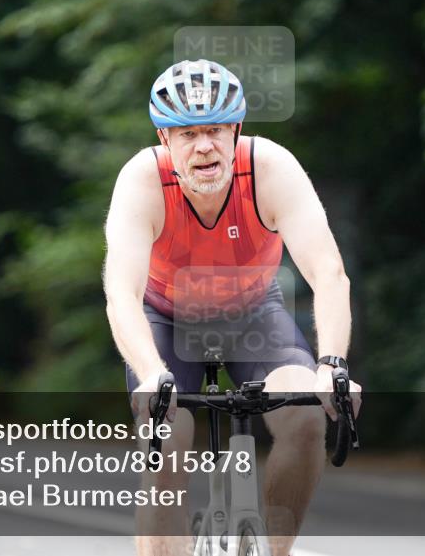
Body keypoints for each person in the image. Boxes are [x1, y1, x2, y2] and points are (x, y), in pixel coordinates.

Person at [103, 59, 362, 556]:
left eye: (216, 130)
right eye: (187, 134)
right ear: (165, 140)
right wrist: (152, 374)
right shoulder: (142, 180)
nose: (204, 146)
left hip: (252, 314)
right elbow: (122, 294)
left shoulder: (270, 169)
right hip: (165, 318)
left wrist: (332, 364)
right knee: (165, 442)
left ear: (237, 130)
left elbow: (328, 273)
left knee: (306, 419)